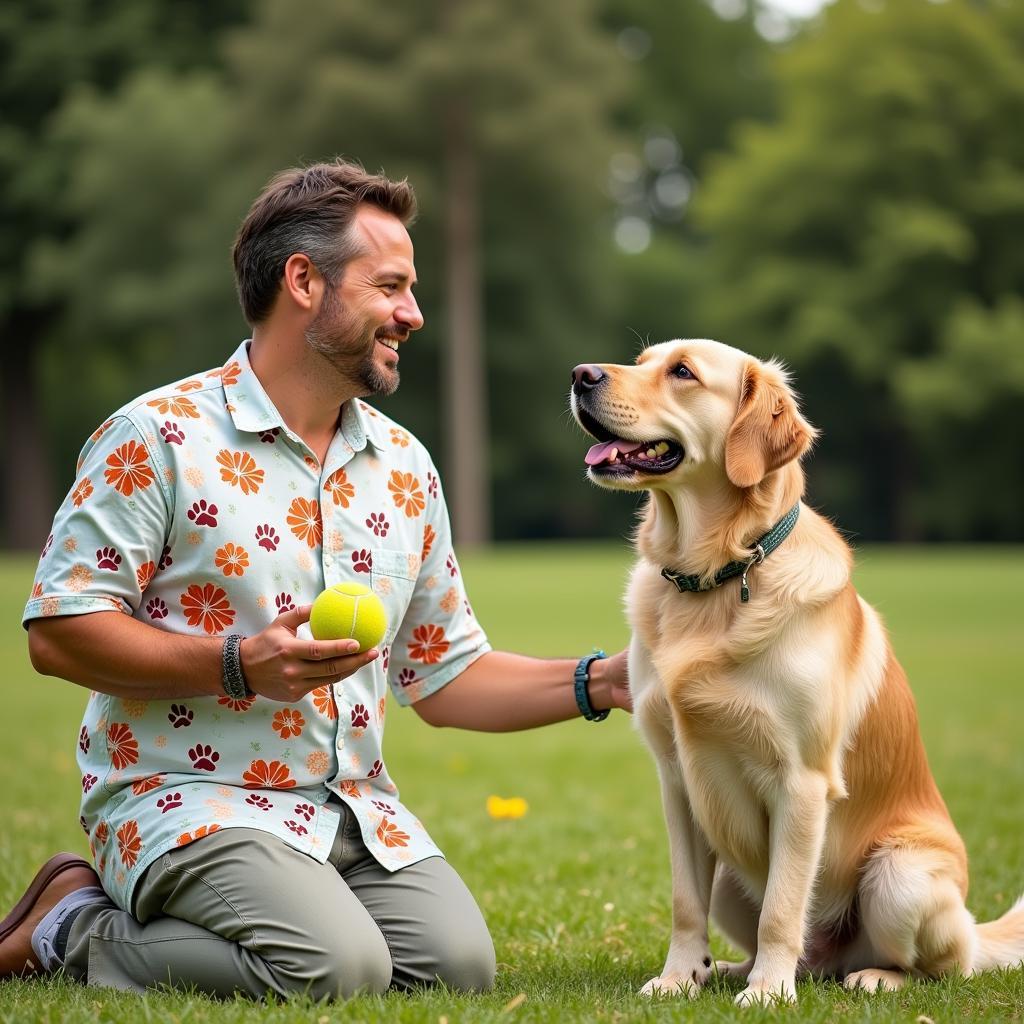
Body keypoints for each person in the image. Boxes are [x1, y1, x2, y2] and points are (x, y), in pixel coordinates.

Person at [0, 159, 631, 999]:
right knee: (336, 967)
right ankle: (69, 922)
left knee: (458, 970)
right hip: (181, 799)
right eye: (392, 287)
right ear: (304, 282)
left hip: (346, 810)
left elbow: (444, 676)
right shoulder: (156, 437)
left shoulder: (403, 466)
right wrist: (236, 664)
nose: (413, 314)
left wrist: (604, 681)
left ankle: (243, 912)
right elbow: (58, 630)